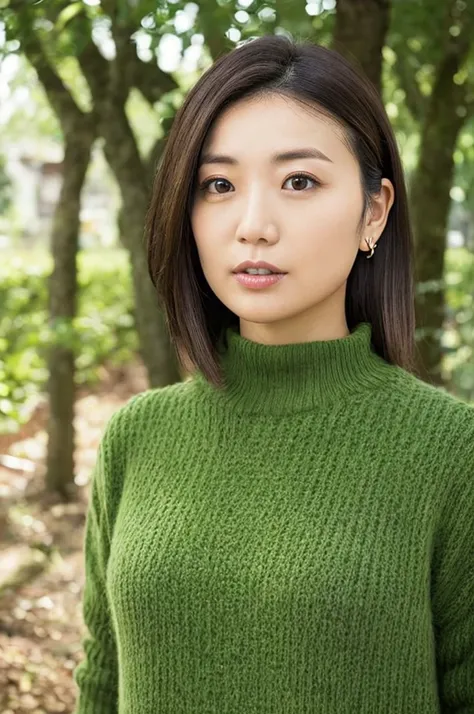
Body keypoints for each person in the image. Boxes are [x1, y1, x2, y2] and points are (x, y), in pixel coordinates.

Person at [73, 35, 474, 714]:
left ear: (374, 210)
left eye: (299, 181)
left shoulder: (450, 450)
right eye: (218, 185)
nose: (253, 225)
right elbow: (101, 687)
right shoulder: (137, 439)